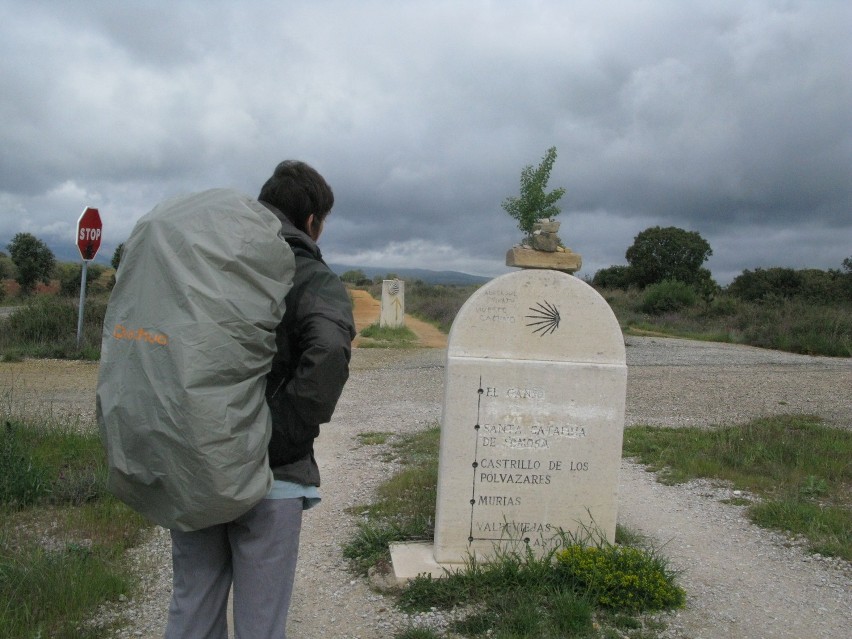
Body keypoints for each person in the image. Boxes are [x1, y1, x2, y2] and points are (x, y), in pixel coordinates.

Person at [165, 160, 356, 639]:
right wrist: (275, 436)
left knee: (193, 602)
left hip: (198, 461)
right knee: (260, 622)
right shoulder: (311, 275)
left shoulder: (211, 260)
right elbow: (330, 349)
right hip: (271, 479)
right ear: (312, 220)